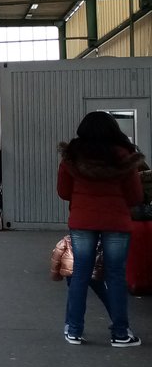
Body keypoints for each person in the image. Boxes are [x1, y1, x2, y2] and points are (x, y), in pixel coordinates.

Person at [58, 111, 143, 347]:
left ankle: (74, 330)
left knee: (80, 274)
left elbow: (63, 191)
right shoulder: (124, 156)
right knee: (115, 276)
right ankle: (120, 334)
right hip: (116, 222)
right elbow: (136, 196)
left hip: (82, 221)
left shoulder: (72, 156)